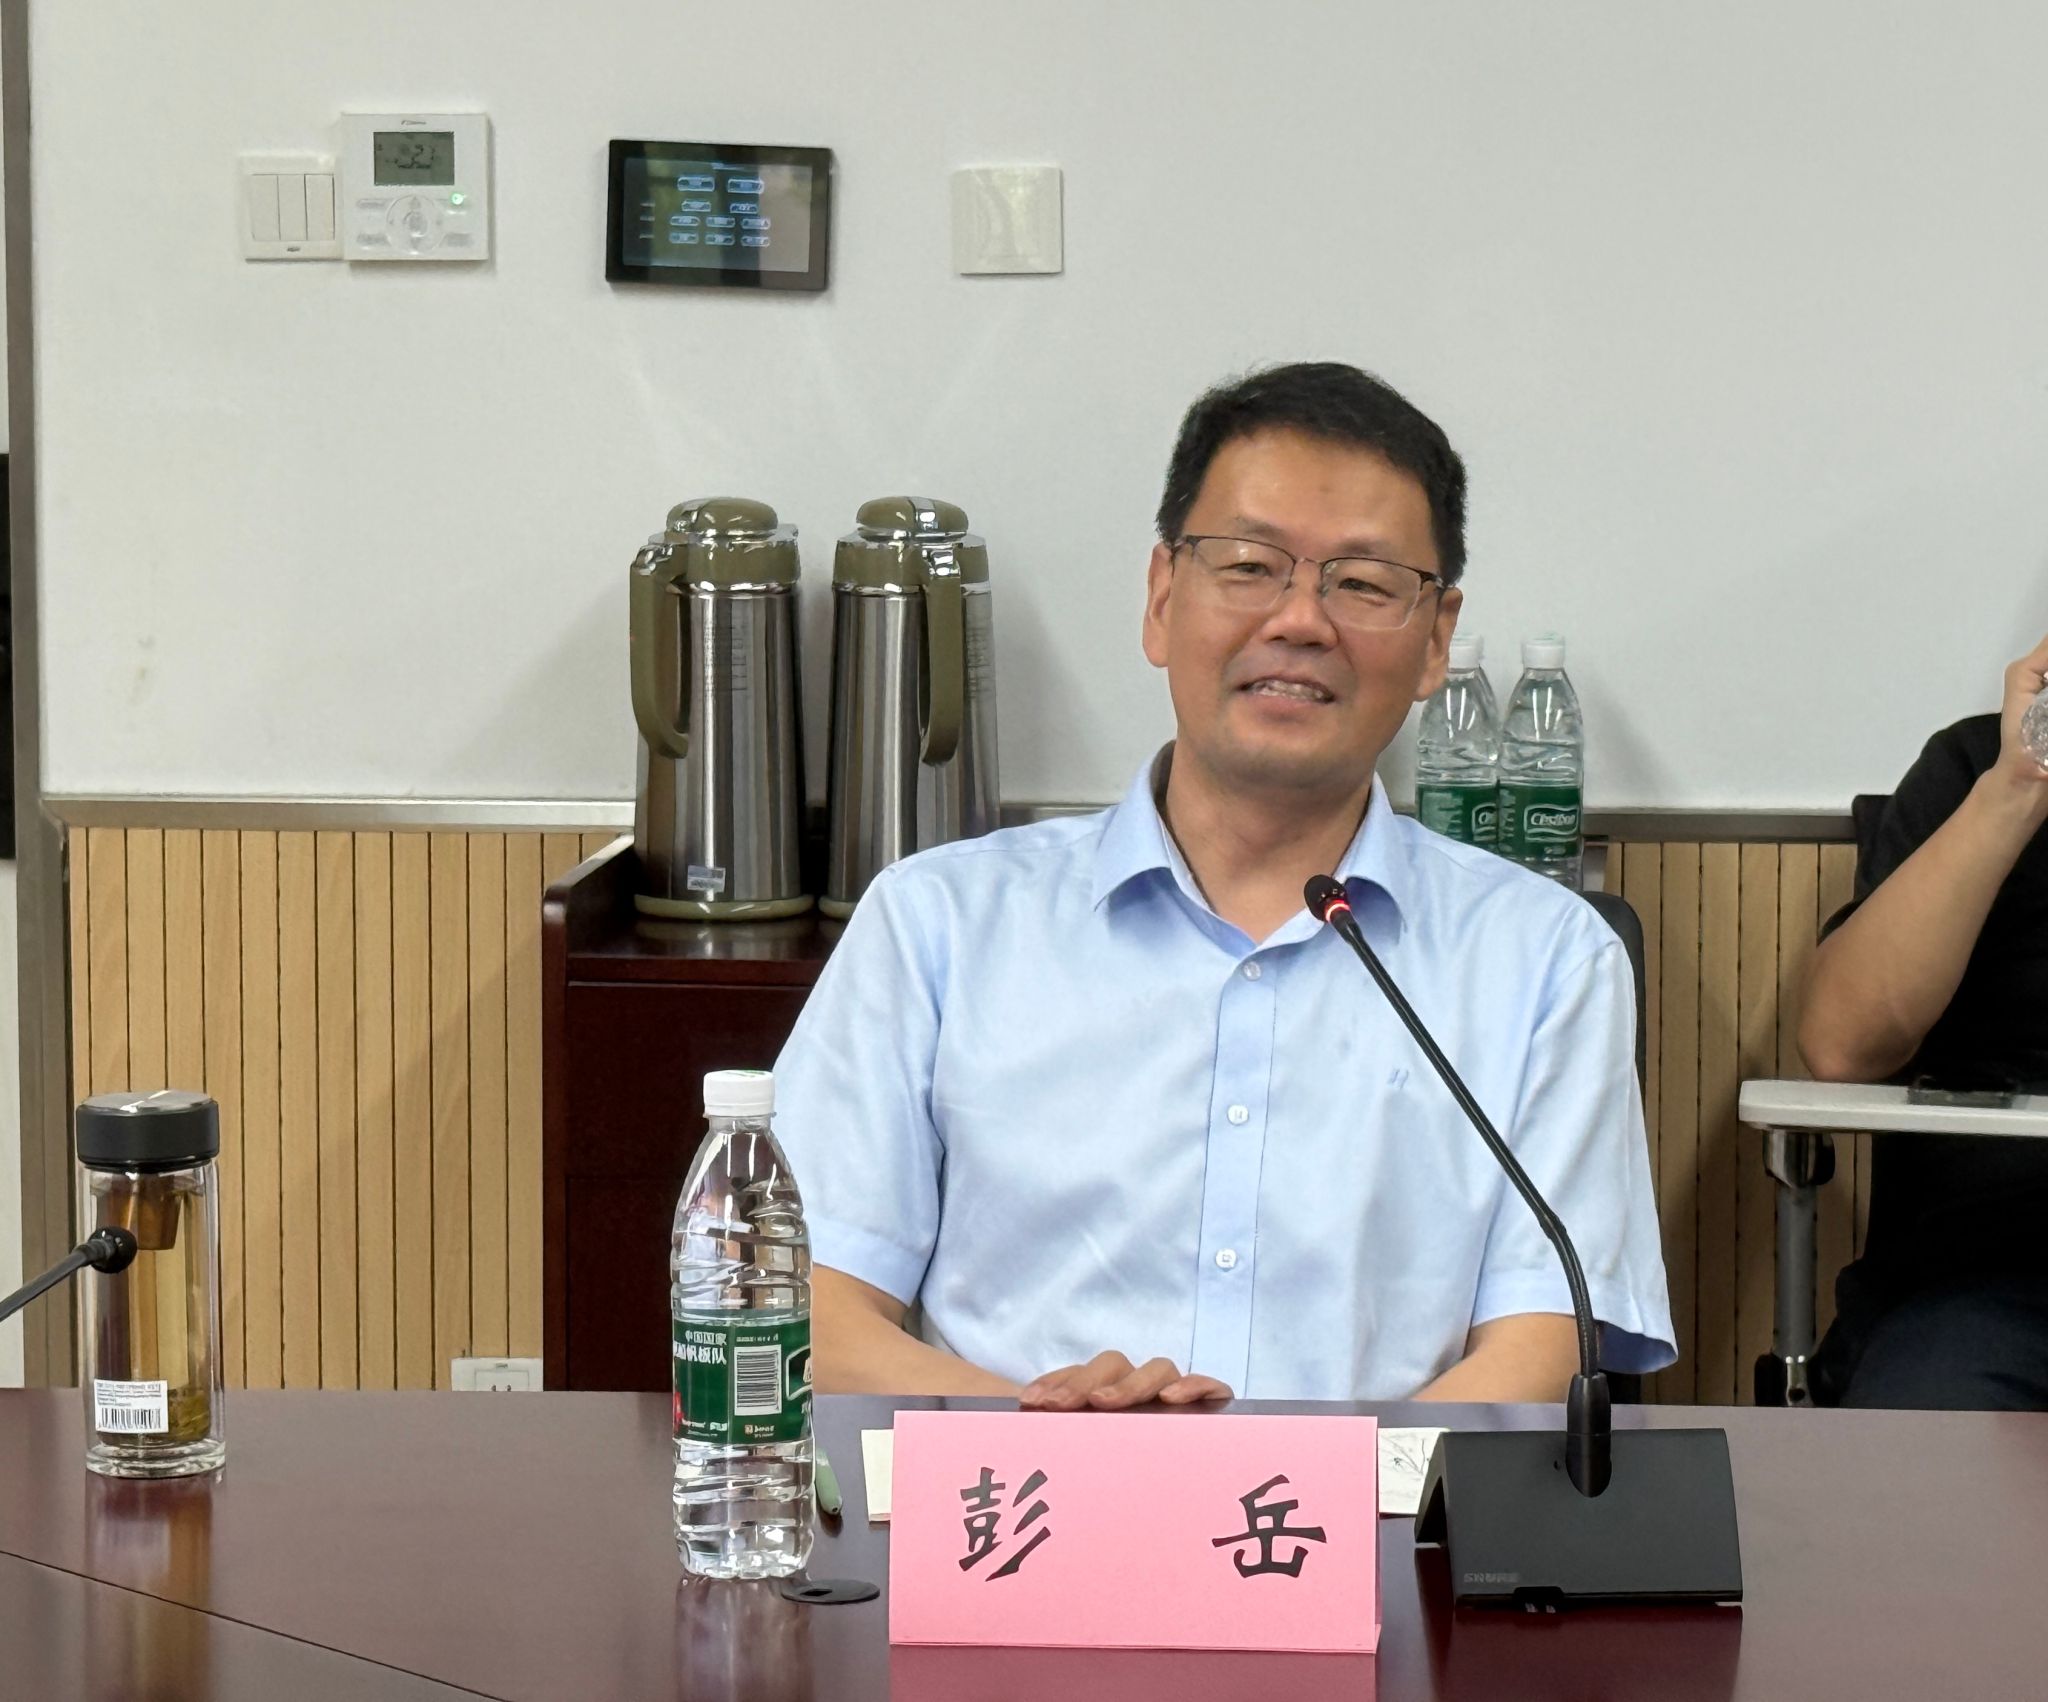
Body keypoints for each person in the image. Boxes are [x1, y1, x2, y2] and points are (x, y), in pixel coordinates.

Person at [773, 361, 1673, 1409]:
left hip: (1379, 1515)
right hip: (1008, 1505)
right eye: (1249, 566)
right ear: (1162, 598)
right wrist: (1047, 1446)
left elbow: (1543, 1347)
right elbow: (805, 1311)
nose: (1300, 620)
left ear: (1436, 641)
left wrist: (1300, 1487)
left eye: (1363, 583)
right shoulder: (937, 924)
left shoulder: (1545, 959)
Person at [1800, 635, 2048, 1410]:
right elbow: (1842, 1046)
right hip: (1987, 1288)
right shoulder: (1976, 770)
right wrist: (2018, 785)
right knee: (1925, 1437)